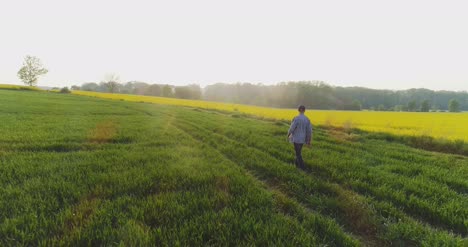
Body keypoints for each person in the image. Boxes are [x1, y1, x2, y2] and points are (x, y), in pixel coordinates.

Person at [288, 105, 312, 169]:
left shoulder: (296, 118)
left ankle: (302, 167)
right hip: (302, 139)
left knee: (298, 153)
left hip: (296, 138)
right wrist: (308, 140)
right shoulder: (307, 119)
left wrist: (288, 134)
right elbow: (309, 131)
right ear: (304, 110)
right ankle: (296, 164)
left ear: (298, 110)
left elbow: (292, 128)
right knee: (298, 152)